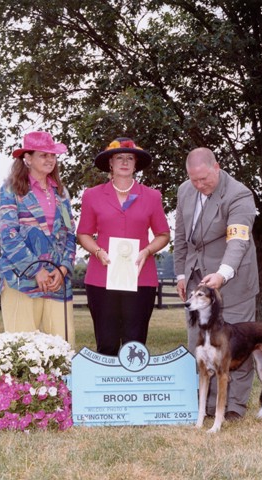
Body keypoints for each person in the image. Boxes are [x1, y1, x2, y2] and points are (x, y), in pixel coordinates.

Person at [174, 147, 259, 420]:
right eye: (193, 180)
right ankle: (206, 405)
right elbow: (181, 237)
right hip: (196, 279)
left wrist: (223, 274)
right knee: (199, 344)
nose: (199, 185)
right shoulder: (185, 190)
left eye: (204, 179)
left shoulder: (239, 195)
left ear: (217, 167)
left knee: (234, 344)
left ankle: (234, 406)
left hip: (232, 279)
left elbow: (238, 240)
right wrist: (180, 275)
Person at [77, 138, 170, 356]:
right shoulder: (92, 195)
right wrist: (98, 251)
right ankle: (106, 389)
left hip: (141, 276)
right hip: (101, 276)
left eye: (130, 158)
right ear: (110, 162)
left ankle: (132, 388)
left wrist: (147, 251)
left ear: (136, 163)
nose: (125, 162)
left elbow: (163, 234)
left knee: (135, 343)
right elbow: (83, 233)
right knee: (106, 343)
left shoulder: (153, 196)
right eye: (119, 157)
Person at [0, 131, 76, 346]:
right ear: (28, 158)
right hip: (21, 281)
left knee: (64, 349)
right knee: (21, 352)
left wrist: (63, 269)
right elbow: (9, 236)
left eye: (53, 155)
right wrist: (36, 270)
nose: (50, 160)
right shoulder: (10, 190)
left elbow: (70, 235)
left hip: (57, 283)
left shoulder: (62, 193)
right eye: (43, 155)